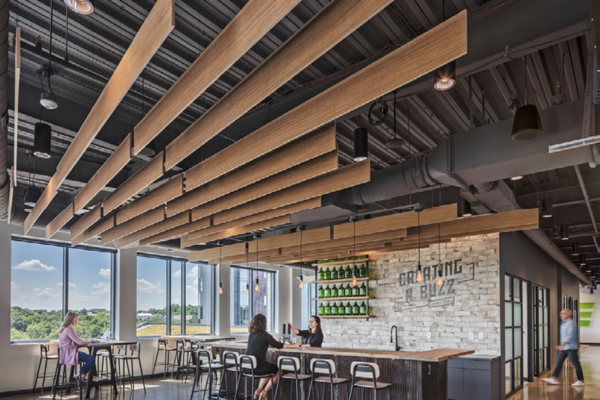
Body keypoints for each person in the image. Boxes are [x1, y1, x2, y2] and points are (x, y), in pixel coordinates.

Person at [245, 314, 299, 400]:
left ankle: (258, 391)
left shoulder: (251, 335)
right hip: (257, 368)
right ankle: (265, 392)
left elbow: (260, 344)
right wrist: (294, 345)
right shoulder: (265, 335)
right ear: (263, 324)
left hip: (246, 368)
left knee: (268, 370)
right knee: (279, 370)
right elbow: (279, 345)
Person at [542, 309, 585, 387]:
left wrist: (562, 345)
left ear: (568, 314)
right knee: (559, 363)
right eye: (561, 313)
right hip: (564, 347)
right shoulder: (563, 323)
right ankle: (553, 378)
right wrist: (562, 345)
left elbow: (570, 336)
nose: (560, 315)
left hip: (571, 347)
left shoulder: (571, 323)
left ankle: (580, 380)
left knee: (576, 364)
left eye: (562, 313)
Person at [58, 312, 99, 387]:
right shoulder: (69, 329)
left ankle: (79, 376)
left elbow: (76, 341)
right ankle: (80, 376)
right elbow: (80, 342)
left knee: (90, 358)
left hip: (65, 354)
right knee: (91, 359)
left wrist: (85, 341)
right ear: (72, 319)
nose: (77, 320)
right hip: (70, 354)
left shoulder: (64, 329)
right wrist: (92, 341)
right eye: (76, 319)